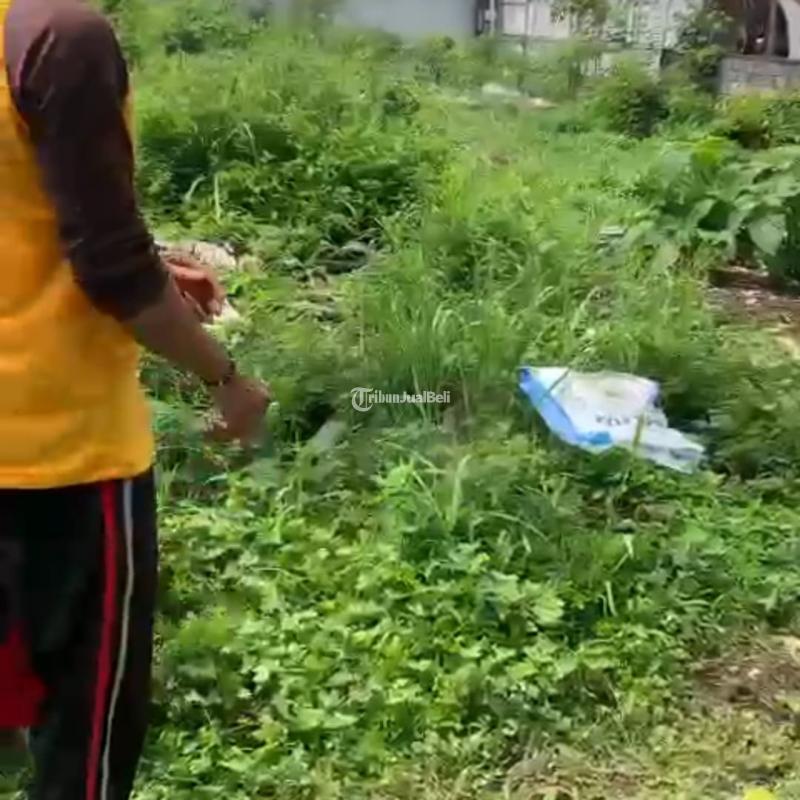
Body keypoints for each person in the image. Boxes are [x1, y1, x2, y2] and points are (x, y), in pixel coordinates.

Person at [0, 0, 271, 797]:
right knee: (81, 748)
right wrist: (227, 380)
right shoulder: (58, 33)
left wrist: (151, 261)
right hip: (60, 460)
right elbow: (111, 266)